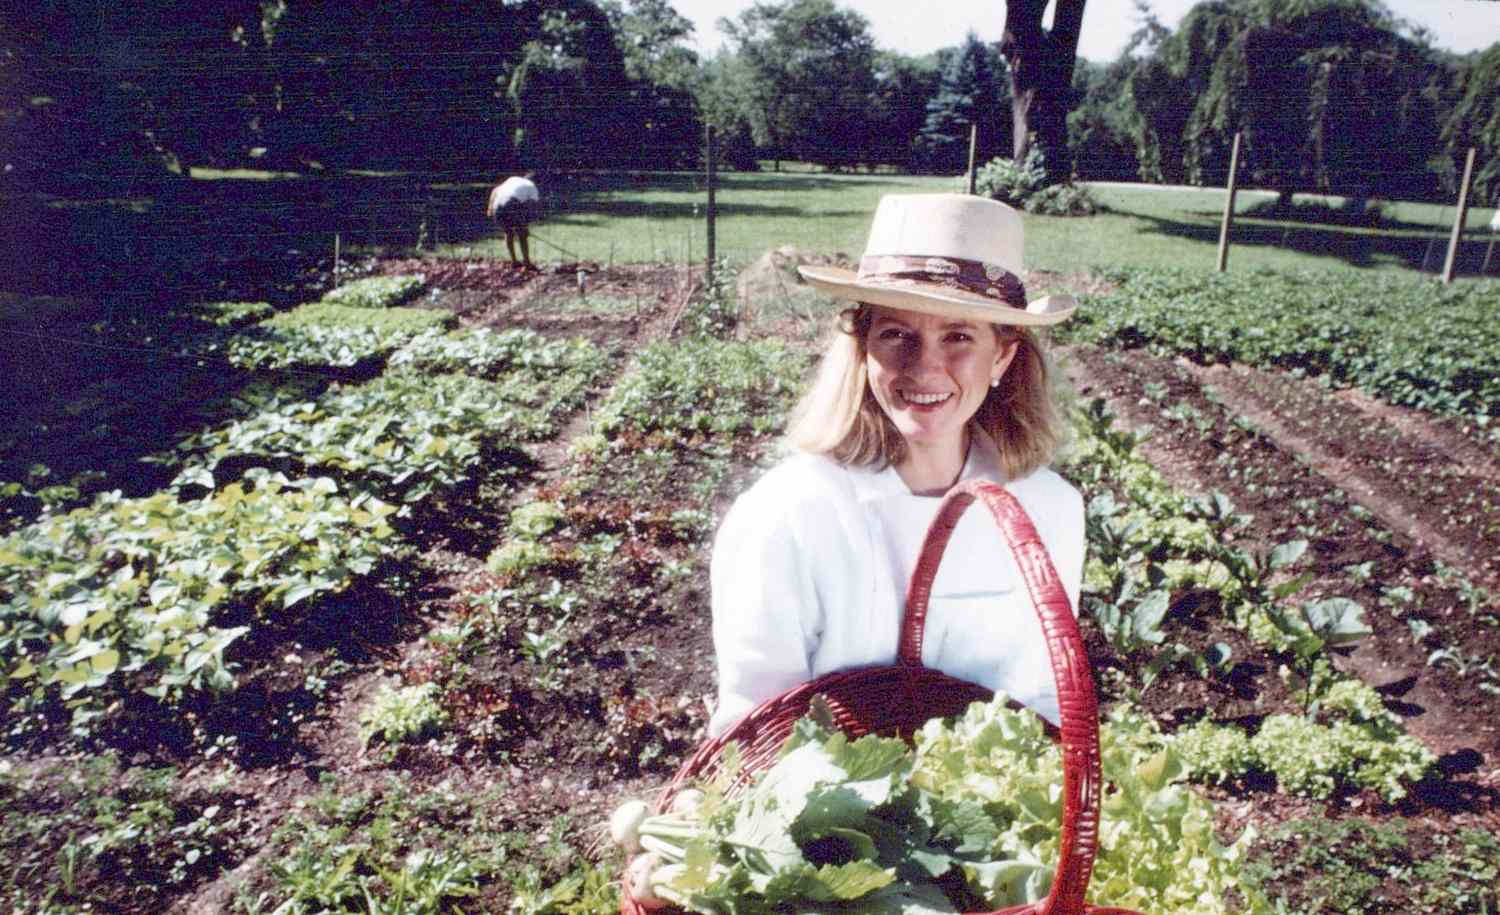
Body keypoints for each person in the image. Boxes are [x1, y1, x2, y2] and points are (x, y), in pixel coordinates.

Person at [707, 193, 1085, 739]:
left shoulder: (1051, 509)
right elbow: (755, 728)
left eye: (958, 336)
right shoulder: (786, 513)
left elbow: (1044, 700)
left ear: (1003, 356)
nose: (924, 367)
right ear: (862, 348)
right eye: (896, 334)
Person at [485, 173, 540, 267]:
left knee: (508, 232)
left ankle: (514, 261)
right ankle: (527, 262)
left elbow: (495, 190)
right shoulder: (532, 186)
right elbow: (532, 205)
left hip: (497, 206)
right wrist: (525, 224)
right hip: (512, 203)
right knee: (522, 235)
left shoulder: (513, 179)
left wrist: (489, 208)